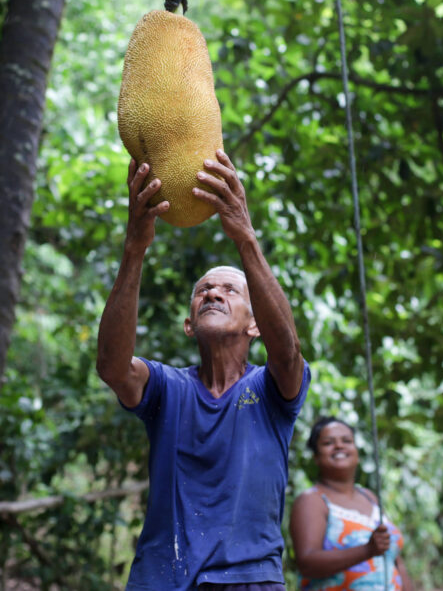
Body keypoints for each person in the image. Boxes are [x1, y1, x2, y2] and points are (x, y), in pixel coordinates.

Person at [96, 151, 310, 590]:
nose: (213, 292)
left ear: (255, 325)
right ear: (190, 324)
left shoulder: (271, 390)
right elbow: (113, 368)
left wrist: (245, 238)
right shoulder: (169, 388)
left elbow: (287, 353)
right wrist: (134, 249)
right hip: (163, 578)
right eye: (203, 291)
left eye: (230, 290)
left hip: (250, 580)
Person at [290, 417, 414, 591]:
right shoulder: (312, 500)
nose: (339, 446)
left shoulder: (370, 497)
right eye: (328, 443)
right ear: (316, 457)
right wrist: (367, 550)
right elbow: (307, 563)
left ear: (357, 453)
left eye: (347, 441)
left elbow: (394, 560)